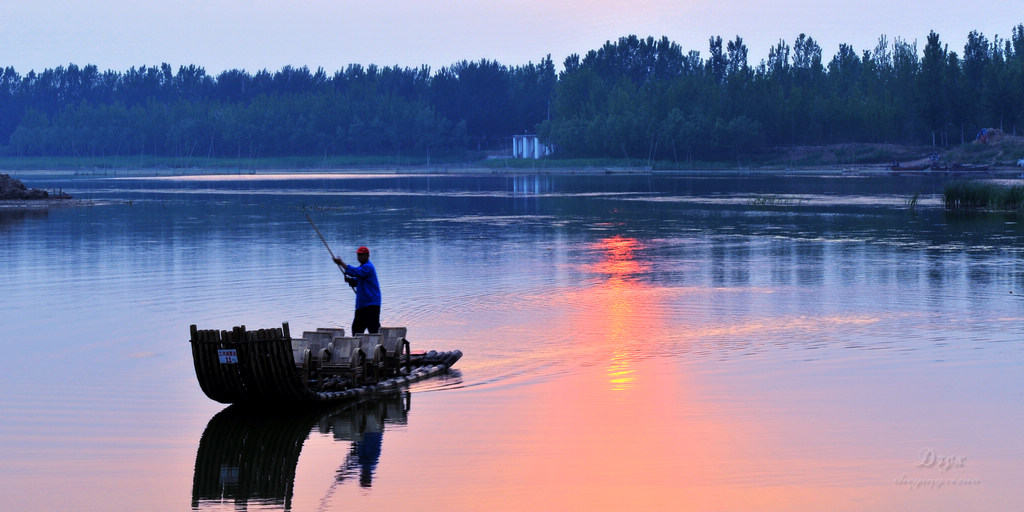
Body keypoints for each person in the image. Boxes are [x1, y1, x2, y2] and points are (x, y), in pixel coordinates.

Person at [334, 246, 381, 334]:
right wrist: (350, 280)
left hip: (371, 304)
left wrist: (341, 263)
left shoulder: (368, 267)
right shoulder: (363, 268)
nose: (360, 257)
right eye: (359, 255)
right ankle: (359, 347)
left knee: (373, 330)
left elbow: (355, 272)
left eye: (362, 255)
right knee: (356, 329)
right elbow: (358, 281)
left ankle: (378, 347)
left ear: (367, 256)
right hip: (362, 305)